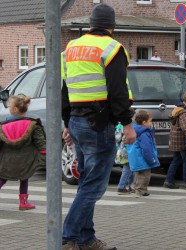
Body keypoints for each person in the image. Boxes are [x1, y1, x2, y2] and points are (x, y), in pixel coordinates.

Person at [60, 4, 136, 250]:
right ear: (112, 26)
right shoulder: (113, 48)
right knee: (94, 187)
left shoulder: (71, 47)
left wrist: (66, 123)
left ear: (91, 23)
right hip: (99, 123)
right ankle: (68, 237)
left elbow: (65, 89)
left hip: (76, 121)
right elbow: (118, 91)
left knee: (85, 184)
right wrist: (127, 124)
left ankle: (86, 239)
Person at [0, 94, 46, 212]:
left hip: (7, 159)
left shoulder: (2, 126)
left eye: (9, 106)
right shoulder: (32, 125)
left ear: (15, 110)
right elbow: (40, 141)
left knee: (2, 178)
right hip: (25, 159)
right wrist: (44, 154)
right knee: (24, 178)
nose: (8, 108)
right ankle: (23, 203)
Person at [163, 90, 186, 189]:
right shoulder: (184, 113)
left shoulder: (178, 109)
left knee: (176, 159)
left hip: (175, 140)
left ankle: (169, 180)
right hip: (182, 141)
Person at [127, 110, 159, 197]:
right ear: (144, 122)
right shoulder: (144, 133)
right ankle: (140, 190)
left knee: (138, 174)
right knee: (145, 176)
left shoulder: (134, 130)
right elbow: (146, 148)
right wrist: (151, 159)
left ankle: (139, 189)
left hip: (135, 157)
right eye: (150, 121)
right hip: (143, 158)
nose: (151, 123)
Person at [115, 122, 134, 194]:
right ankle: (121, 187)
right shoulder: (125, 127)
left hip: (122, 149)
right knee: (127, 169)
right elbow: (120, 138)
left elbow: (117, 139)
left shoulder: (119, 126)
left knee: (130, 168)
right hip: (126, 150)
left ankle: (130, 186)